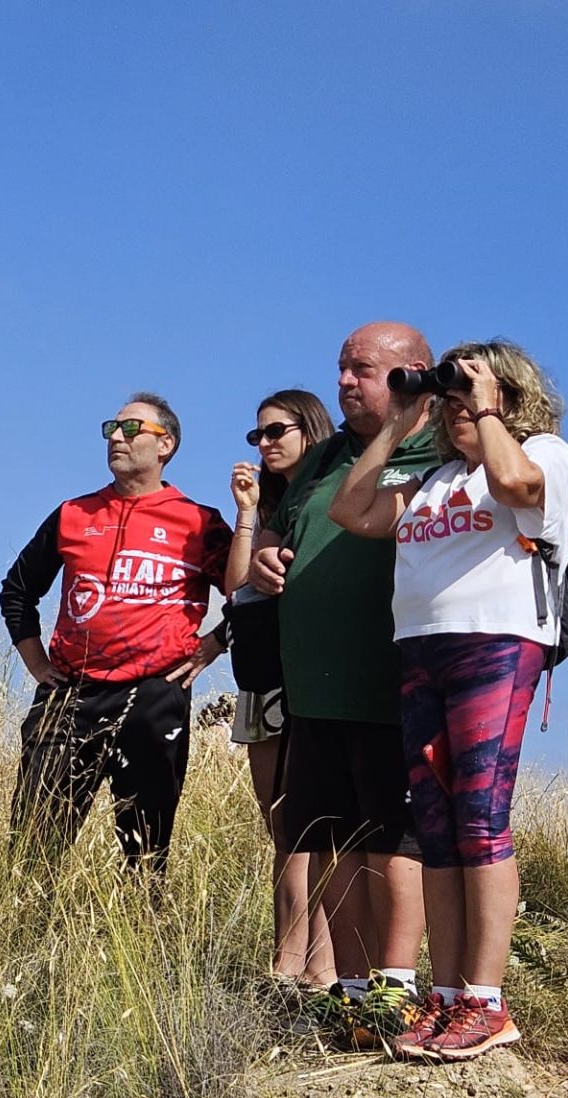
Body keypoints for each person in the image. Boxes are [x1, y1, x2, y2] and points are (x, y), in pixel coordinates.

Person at [327, 341, 568, 1062]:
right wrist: (397, 421)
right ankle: (444, 996)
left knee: (480, 816)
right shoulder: (431, 478)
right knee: (435, 828)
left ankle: (487, 1000)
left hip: (495, 644)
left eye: (473, 393)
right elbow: (352, 510)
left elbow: (518, 487)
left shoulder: (545, 452)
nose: (459, 407)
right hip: (422, 649)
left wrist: (491, 410)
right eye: (453, 396)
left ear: (510, 395)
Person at [249, 323, 438, 1035]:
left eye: (361, 369)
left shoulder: (437, 444)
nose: (344, 382)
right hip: (312, 688)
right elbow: (281, 523)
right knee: (330, 839)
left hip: (389, 678)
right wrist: (268, 551)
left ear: (410, 373)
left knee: (392, 839)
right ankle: (353, 991)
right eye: (340, 369)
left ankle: (397, 983)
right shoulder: (326, 455)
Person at [0, 394, 230, 872]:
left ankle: (140, 937)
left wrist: (213, 645)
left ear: (165, 444)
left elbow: (252, 597)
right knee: (31, 848)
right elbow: (17, 591)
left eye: (130, 428)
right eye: (111, 428)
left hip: (153, 694)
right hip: (70, 693)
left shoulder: (199, 522)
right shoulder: (72, 515)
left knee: (145, 853)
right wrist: (38, 665)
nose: (116, 438)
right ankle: (24, 939)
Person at [224, 391, 336, 985]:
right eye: (257, 435)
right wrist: (247, 513)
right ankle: (295, 959)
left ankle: (313, 961)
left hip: (309, 674)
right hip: (258, 678)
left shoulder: (332, 494)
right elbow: (236, 585)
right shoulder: (268, 505)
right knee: (280, 824)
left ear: (308, 430)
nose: (264, 444)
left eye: (275, 432)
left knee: (314, 822)